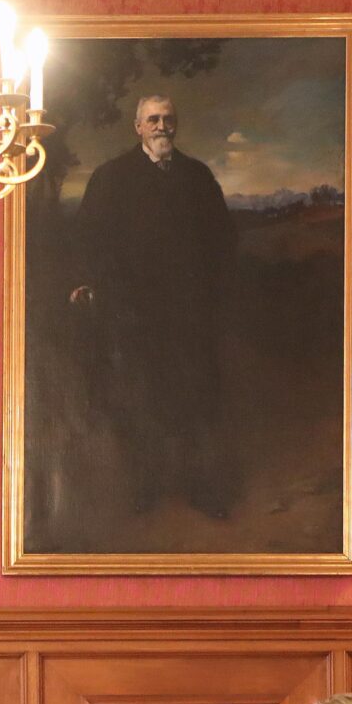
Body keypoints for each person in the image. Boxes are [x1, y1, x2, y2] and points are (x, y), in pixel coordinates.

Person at [65, 92, 234, 516]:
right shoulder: (111, 177)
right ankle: (147, 487)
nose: (162, 126)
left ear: (176, 125)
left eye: (168, 119)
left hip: (188, 311)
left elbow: (222, 237)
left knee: (194, 397)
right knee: (140, 398)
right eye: (153, 120)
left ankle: (198, 486)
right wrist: (86, 280)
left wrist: (212, 288)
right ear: (138, 127)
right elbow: (87, 236)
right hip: (133, 313)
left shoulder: (197, 176)